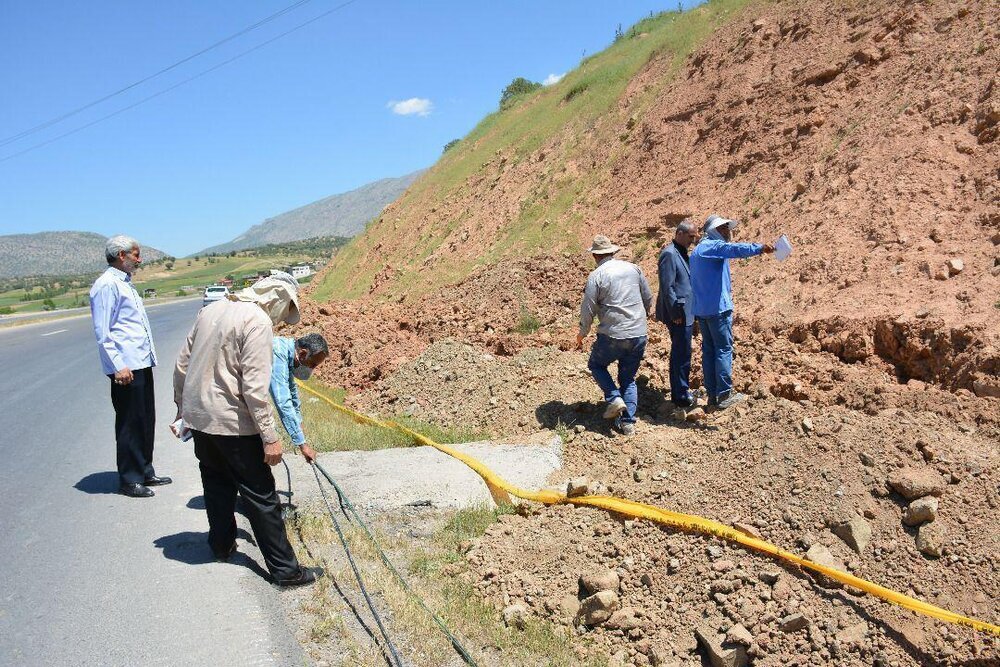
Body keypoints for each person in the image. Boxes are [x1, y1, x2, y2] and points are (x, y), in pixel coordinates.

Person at [173, 272, 320, 587]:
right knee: (262, 497)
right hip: (233, 424)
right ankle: (286, 571)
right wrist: (270, 437)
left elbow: (182, 365)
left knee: (216, 483)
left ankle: (221, 544)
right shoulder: (257, 322)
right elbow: (254, 390)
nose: (281, 319)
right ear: (276, 299)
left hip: (201, 420)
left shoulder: (210, 311)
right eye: (284, 311)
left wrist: (181, 409)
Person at [89, 235, 171, 498]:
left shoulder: (126, 284)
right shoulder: (106, 285)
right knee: (129, 422)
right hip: (126, 367)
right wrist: (118, 366)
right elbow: (104, 332)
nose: (139, 259)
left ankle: (145, 470)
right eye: (135, 255)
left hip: (141, 362)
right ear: (121, 255)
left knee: (146, 419)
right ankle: (129, 479)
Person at [690, 215, 774, 410]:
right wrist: (759, 248)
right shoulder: (712, 247)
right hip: (717, 309)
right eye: (724, 229)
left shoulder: (697, 251)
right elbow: (734, 249)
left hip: (702, 310)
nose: (728, 232)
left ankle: (712, 395)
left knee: (710, 352)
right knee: (723, 350)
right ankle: (725, 394)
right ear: (714, 231)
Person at [576, 235, 653, 436]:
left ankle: (613, 398)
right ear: (613, 252)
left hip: (613, 335)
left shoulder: (596, 276)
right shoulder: (633, 268)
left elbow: (588, 309)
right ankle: (627, 424)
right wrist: (640, 318)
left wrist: (582, 333)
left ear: (595, 255)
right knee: (628, 377)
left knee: (596, 365)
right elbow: (647, 297)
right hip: (638, 334)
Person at [655, 220, 698, 408]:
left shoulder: (681, 252)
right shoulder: (669, 254)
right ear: (679, 233)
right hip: (678, 313)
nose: (693, 240)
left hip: (686, 312)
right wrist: (674, 312)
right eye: (690, 236)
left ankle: (682, 390)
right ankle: (680, 396)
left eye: (695, 237)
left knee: (683, 352)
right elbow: (667, 286)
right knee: (681, 354)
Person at [270, 333, 330, 464]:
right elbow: (283, 401)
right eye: (313, 364)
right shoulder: (277, 353)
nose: (312, 369)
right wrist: (302, 445)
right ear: (302, 354)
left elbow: (292, 392)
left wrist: (299, 423)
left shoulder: (288, 353)